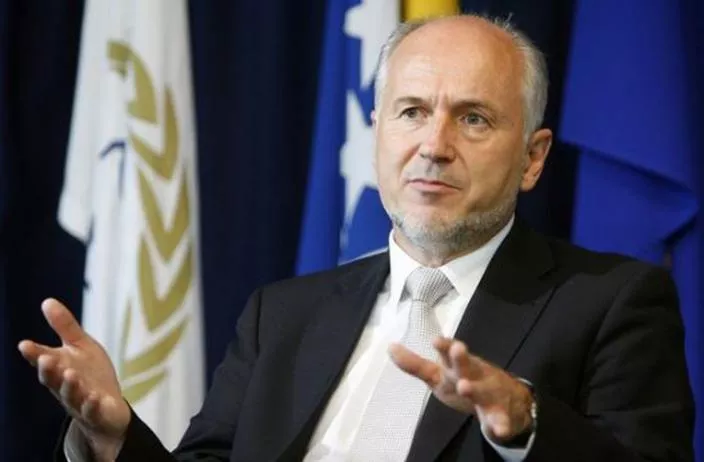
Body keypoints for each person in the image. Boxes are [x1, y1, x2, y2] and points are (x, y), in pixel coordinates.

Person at [18, 14, 694, 462]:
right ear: (378, 135)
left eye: (474, 119)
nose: (434, 145)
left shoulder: (610, 303)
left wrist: (526, 422)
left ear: (533, 158)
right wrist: (113, 437)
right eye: (412, 112)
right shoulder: (283, 314)